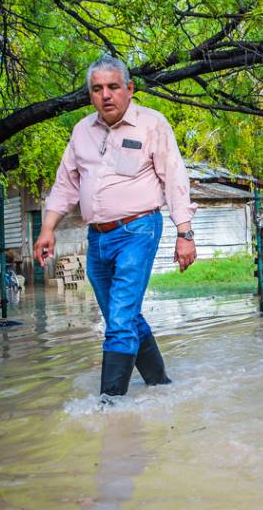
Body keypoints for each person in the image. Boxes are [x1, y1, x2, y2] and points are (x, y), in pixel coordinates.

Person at [34, 56, 197, 398]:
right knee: (123, 317)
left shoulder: (152, 125)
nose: (105, 95)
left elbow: (175, 179)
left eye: (113, 87)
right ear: (90, 94)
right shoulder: (82, 131)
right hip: (97, 238)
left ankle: (109, 406)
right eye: (97, 89)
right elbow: (66, 183)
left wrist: (184, 233)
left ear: (129, 89)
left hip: (139, 230)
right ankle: (160, 385)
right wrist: (48, 227)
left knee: (120, 320)